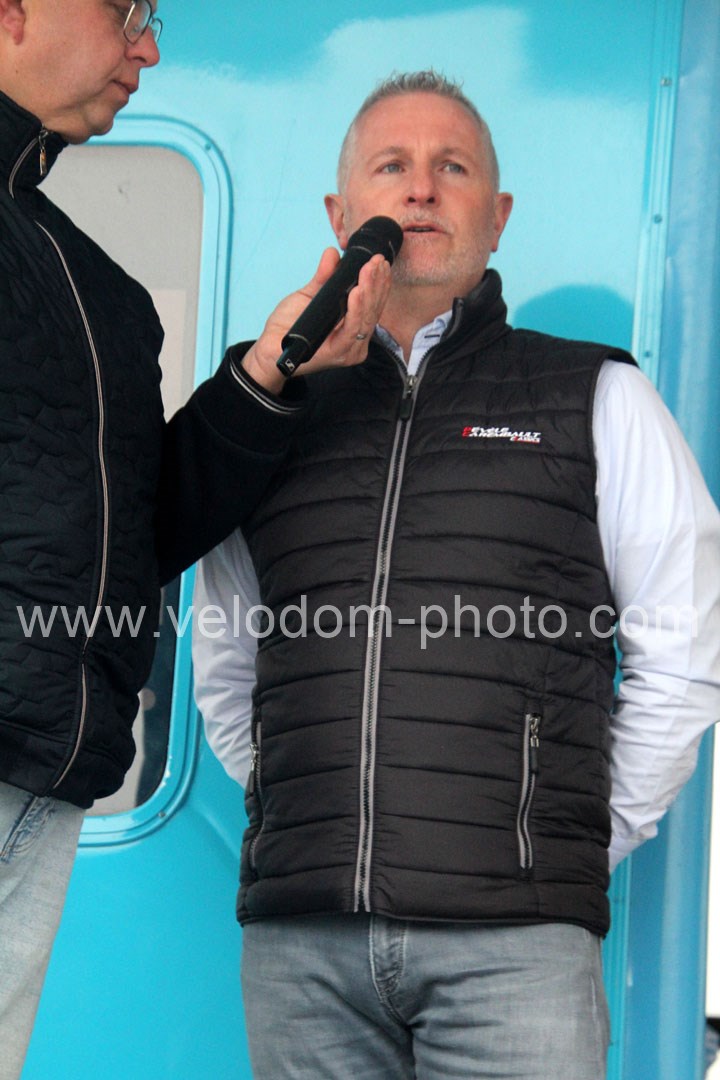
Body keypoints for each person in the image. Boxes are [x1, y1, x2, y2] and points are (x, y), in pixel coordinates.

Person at [192, 71, 720, 1078]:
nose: (422, 189)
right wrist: (302, 810)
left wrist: (566, 840)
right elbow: (224, 658)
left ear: (498, 214)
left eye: (454, 167)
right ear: (341, 213)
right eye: (392, 165)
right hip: (304, 947)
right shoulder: (265, 404)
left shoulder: (595, 394)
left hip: (516, 951)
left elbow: (686, 651)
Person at [0, 2, 390, 1076]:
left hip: (49, 769)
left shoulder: (100, 291)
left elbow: (135, 535)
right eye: (125, 9)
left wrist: (268, 377)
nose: (149, 46)